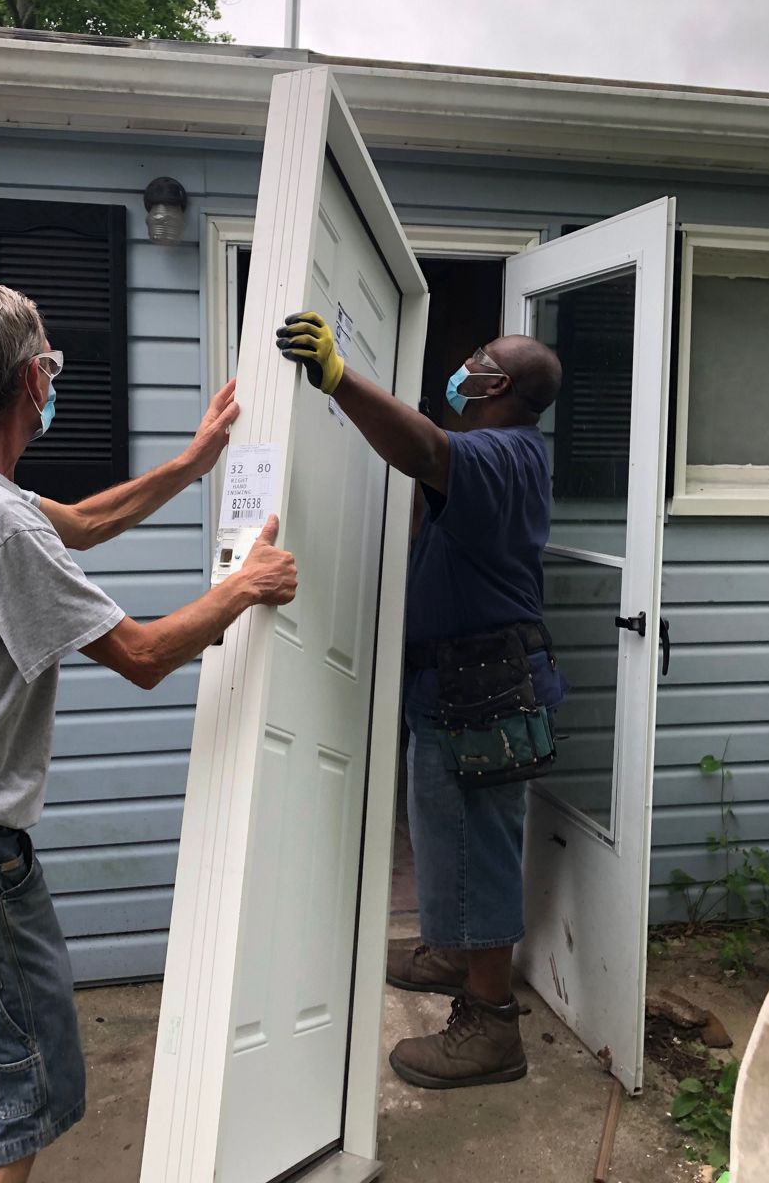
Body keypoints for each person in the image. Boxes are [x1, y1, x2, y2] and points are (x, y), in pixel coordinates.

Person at [0, 283, 297, 1183]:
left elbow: (84, 524)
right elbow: (139, 654)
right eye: (48, 364)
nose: (52, 379)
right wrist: (244, 587)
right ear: (29, 379)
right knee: (6, 1111)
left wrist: (195, 462)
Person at [275, 310, 564, 1091]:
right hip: (458, 684)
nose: (465, 365)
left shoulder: (501, 453)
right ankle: (449, 946)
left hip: (486, 692)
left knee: (478, 848)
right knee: (444, 834)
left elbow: (429, 449)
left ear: (497, 384)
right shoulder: (492, 456)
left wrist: (338, 378)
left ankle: (491, 1028)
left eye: (477, 358)